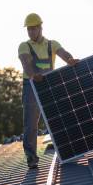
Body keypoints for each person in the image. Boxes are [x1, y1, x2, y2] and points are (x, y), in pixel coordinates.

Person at [18, 13, 79, 168]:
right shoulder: (24, 46)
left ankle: (68, 150)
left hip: (49, 84)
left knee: (58, 118)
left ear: (40, 27)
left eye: (33, 28)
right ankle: (31, 158)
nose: (31, 32)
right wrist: (33, 75)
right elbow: (26, 62)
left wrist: (70, 60)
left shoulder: (52, 44)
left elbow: (64, 53)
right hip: (31, 85)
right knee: (31, 123)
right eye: (29, 29)